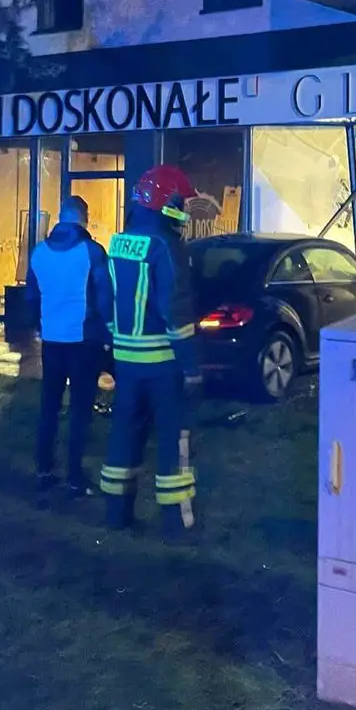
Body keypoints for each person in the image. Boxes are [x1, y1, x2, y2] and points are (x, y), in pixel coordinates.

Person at [99, 165, 203, 535]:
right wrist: (191, 366)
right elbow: (175, 310)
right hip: (162, 364)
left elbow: (105, 300)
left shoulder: (118, 242)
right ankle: (177, 524)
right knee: (174, 440)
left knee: (124, 434)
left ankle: (116, 515)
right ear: (166, 202)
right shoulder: (167, 246)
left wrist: (115, 341)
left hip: (126, 362)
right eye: (180, 202)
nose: (184, 210)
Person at [25, 195, 113, 495]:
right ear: (84, 218)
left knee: (49, 406)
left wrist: (39, 326)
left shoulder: (39, 252)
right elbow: (104, 297)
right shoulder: (91, 252)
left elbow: (31, 296)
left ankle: (44, 468)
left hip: (52, 340)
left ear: (60, 217)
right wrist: (107, 334)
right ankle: (75, 475)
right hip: (83, 341)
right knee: (80, 409)